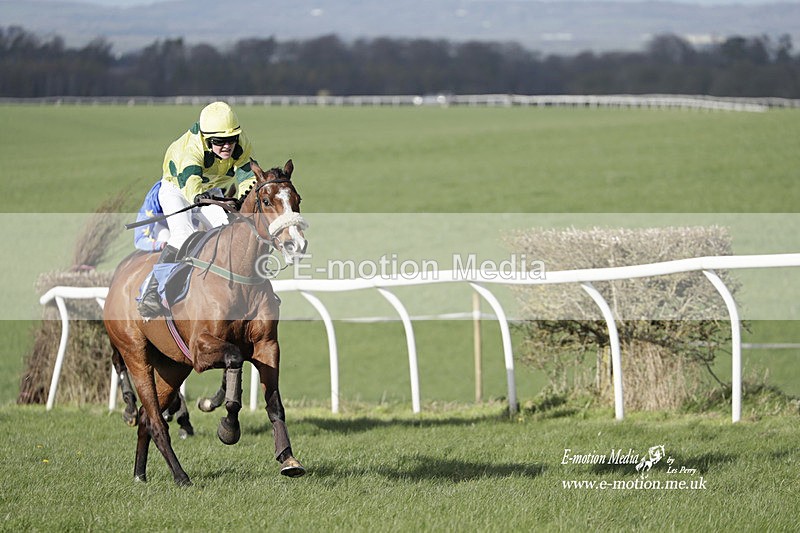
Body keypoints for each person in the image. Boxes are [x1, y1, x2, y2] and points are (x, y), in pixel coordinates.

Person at [137, 101, 258, 318]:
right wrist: (199, 197)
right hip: (177, 188)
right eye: (219, 142)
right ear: (206, 139)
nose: (227, 147)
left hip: (211, 187)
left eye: (231, 140)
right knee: (184, 234)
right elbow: (191, 181)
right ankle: (151, 290)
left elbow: (246, 175)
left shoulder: (241, 143)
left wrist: (242, 198)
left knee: (227, 231)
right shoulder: (191, 149)